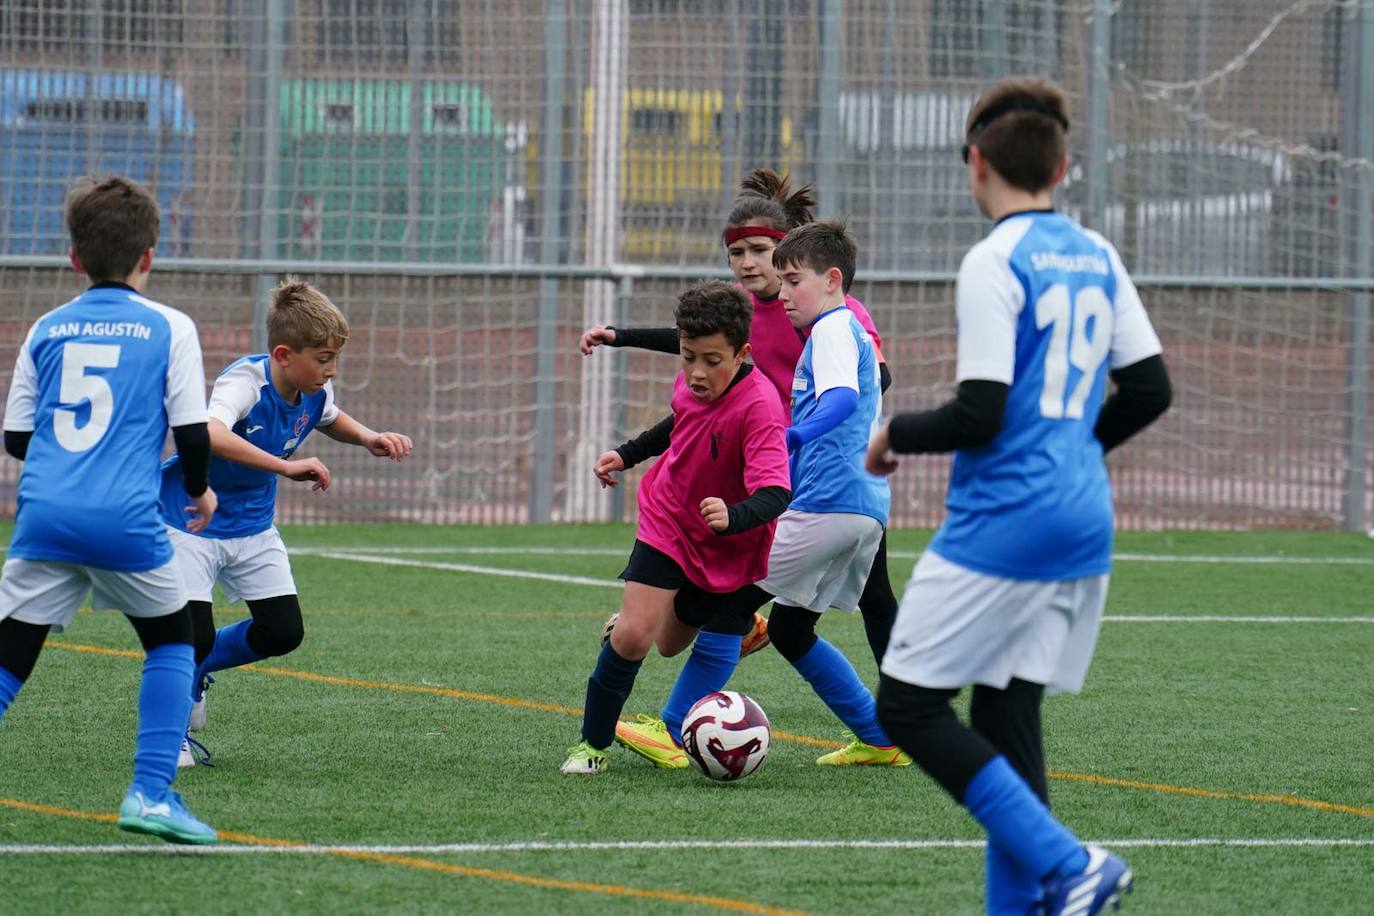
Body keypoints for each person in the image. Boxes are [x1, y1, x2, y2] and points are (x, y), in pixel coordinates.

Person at [867, 77, 1172, 915]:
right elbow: (1150, 390)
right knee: (1005, 718)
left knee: (908, 705)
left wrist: (893, 437)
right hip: (1082, 520)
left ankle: (1068, 862)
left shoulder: (995, 258)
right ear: (1063, 165)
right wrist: (1075, 451)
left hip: (1006, 523)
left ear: (975, 163)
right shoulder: (1098, 254)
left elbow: (979, 411)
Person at [617, 221, 910, 770]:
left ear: (830, 279)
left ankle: (671, 727)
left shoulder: (830, 329)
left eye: (792, 280)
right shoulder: (839, 329)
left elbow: (843, 399)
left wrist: (790, 435)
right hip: (862, 506)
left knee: (730, 604)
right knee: (791, 629)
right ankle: (879, 737)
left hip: (829, 503)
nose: (784, 292)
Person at [579, 169, 901, 668]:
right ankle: (891, 723)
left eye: (760, 251)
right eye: (737, 253)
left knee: (869, 597)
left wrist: (809, 419)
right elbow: (693, 343)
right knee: (778, 608)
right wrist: (620, 336)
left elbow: (875, 379)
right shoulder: (749, 311)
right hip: (788, 458)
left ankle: (908, 713)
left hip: (831, 469)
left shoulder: (834, 313)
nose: (748, 263)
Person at [0, 175, 218, 844]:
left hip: (45, 515)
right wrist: (198, 490)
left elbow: (15, 438)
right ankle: (151, 794)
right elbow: (191, 432)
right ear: (149, 255)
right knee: (173, 640)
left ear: (74, 257)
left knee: (11, 653)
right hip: (124, 518)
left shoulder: (47, 325)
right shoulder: (170, 327)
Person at [159, 278, 412, 766]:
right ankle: (174, 734)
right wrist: (285, 466)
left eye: (334, 358)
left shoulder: (314, 387)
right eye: (322, 359)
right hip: (191, 519)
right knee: (193, 632)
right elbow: (209, 433)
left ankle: (199, 665)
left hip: (252, 525)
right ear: (282, 354)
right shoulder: (245, 382)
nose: (331, 369)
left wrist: (367, 437)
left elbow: (327, 416)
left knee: (283, 632)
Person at [560, 280, 791, 775]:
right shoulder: (691, 378)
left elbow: (777, 492)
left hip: (729, 542)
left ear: (742, 353)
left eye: (711, 360)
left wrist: (734, 515)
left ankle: (733, 625)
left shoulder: (761, 407)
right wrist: (627, 454)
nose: (696, 372)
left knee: (668, 643)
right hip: (668, 518)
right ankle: (592, 746)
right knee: (634, 639)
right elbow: (679, 424)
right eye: (687, 357)